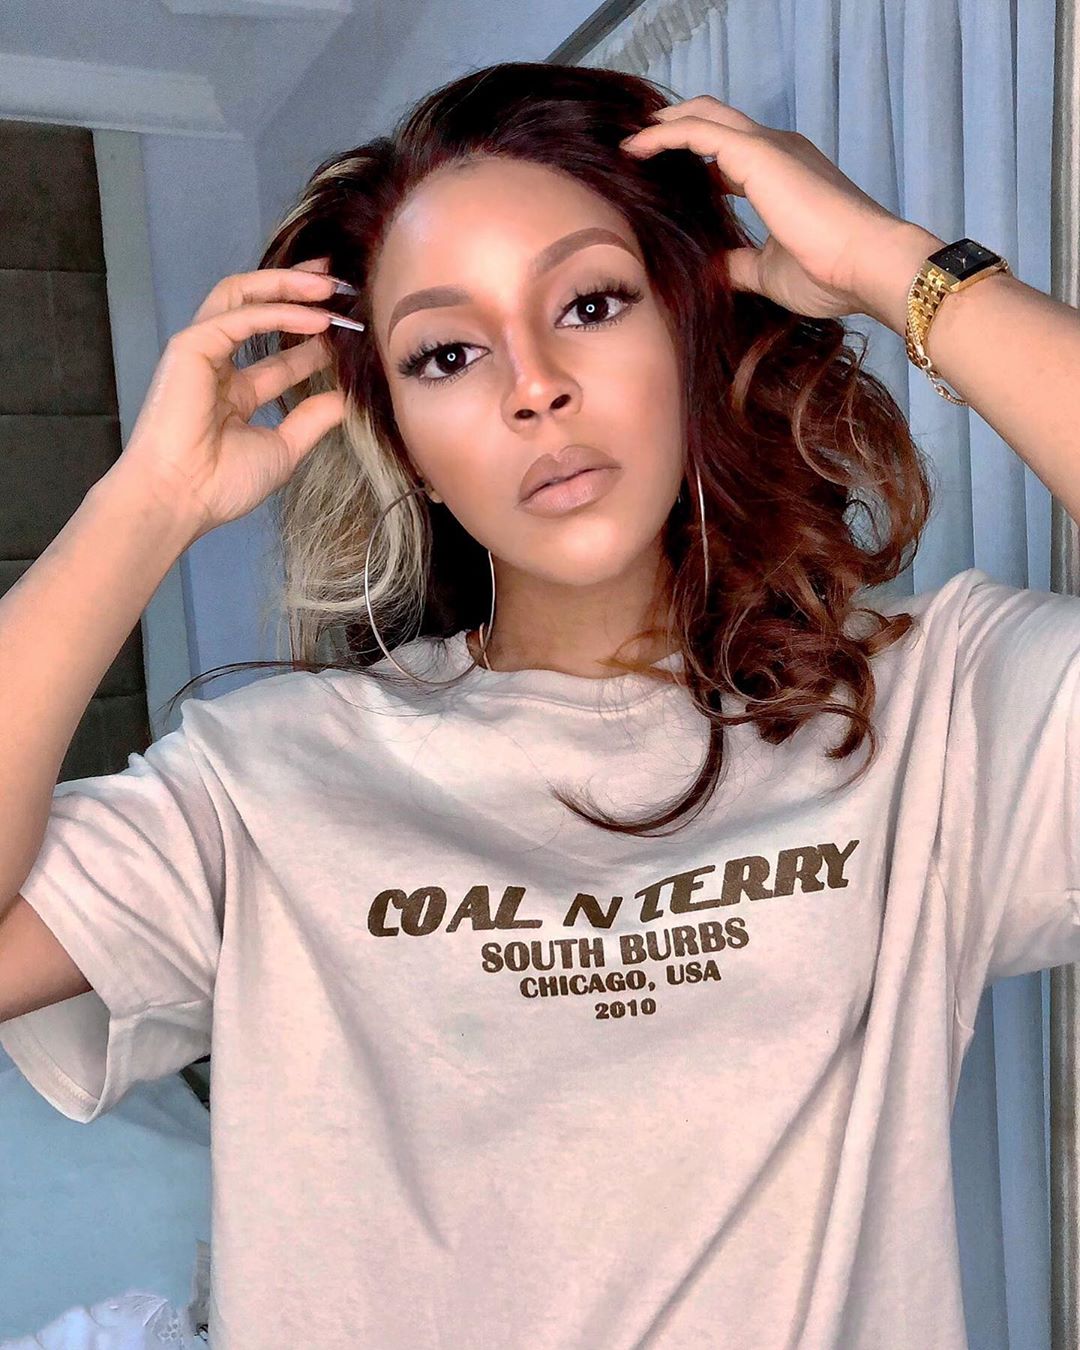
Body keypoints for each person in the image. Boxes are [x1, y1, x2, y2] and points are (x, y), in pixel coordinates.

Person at [1, 59, 1078, 1350]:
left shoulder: (931, 710)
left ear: (690, 340)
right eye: (447, 353)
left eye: (592, 302)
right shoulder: (262, 777)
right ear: (405, 443)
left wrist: (898, 269)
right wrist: (146, 505)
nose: (533, 384)